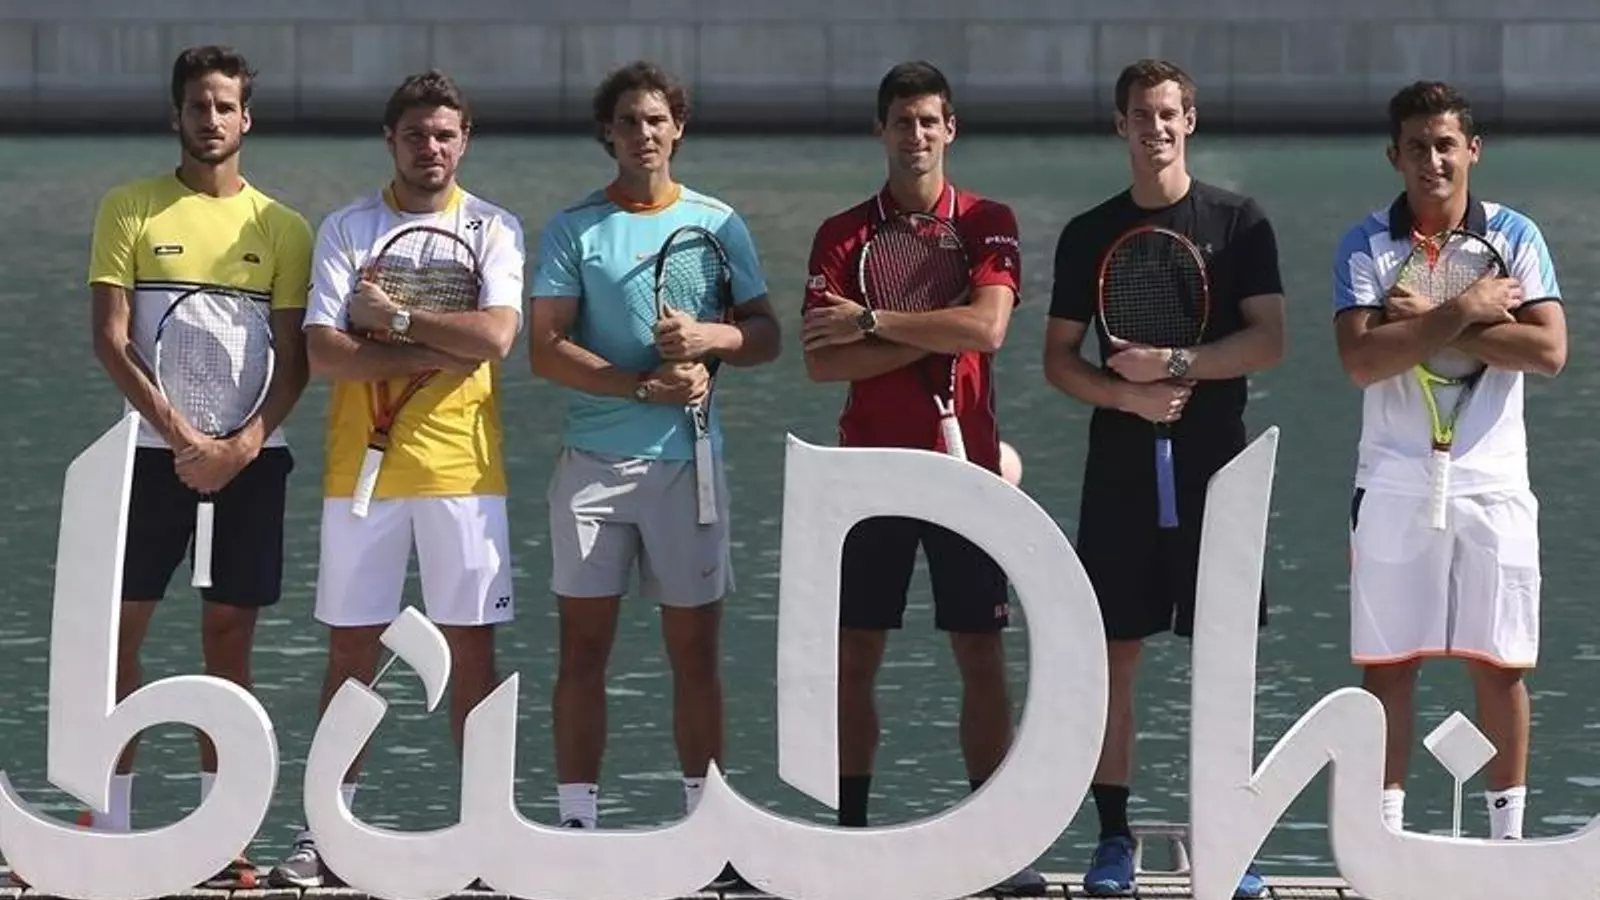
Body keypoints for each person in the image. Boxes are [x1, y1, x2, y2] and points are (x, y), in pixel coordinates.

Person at [267, 70, 525, 888]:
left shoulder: (494, 227)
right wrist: (436, 348)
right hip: (361, 475)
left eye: (445, 134)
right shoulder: (348, 227)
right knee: (351, 650)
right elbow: (325, 352)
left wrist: (395, 321)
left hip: (465, 475)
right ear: (392, 140)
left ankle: (487, 836)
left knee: (472, 651)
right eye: (416, 134)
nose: (430, 148)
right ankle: (324, 834)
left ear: (465, 141)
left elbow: (496, 339)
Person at [526, 60, 780, 888]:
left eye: (657, 119)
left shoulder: (719, 223)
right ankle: (576, 825)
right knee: (582, 651)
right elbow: (546, 349)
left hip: (688, 467)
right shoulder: (575, 229)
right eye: (630, 121)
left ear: (678, 129)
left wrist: (712, 340)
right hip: (592, 470)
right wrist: (641, 385)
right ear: (609, 132)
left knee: (695, 654)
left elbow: (766, 334)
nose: (644, 133)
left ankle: (707, 832)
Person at [799, 60, 1045, 897]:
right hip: (866, 474)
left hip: (965, 471)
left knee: (980, 652)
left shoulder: (987, 220)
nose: (916, 135)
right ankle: (849, 840)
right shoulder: (842, 234)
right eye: (902, 121)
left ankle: (992, 847)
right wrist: (938, 331)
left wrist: (874, 321)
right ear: (882, 130)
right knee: (853, 654)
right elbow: (823, 363)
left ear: (951, 130)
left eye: (929, 121)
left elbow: (989, 329)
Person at [1042, 58, 1285, 899]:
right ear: (1121, 125)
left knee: (1224, 661)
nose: (1156, 128)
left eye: (1169, 114)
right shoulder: (1088, 233)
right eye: (1141, 115)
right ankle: (1113, 839)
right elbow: (1058, 358)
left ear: (1191, 121)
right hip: (1120, 475)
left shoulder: (1239, 222)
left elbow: (1269, 340)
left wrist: (1176, 363)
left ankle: (1231, 841)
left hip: (1218, 470)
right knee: (1114, 658)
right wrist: (1125, 395)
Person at [83, 44, 313, 885]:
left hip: (252, 465)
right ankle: (109, 827)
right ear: (175, 115)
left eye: (224, 106)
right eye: (197, 105)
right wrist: (183, 437)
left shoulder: (282, 227)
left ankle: (223, 840)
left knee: (229, 646)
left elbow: (295, 362)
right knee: (118, 638)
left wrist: (240, 446)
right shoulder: (130, 207)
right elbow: (111, 341)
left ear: (246, 117)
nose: (210, 119)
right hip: (150, 461)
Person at [1331, 80, 1565, 842]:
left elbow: (1548, 350)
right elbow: (1362, 361)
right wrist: (1467, 308)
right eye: (1416, 147)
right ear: (1393, 157)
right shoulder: (1365, 244)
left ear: (1473, 150)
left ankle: (1507, 843)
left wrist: (1428, 321)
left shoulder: (1518, 236)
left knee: (1501, 667)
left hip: (1495, 484)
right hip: (1393, 483)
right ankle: (1384, 842)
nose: (1432, 160)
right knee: (1389, 667)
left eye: (1445, 145)